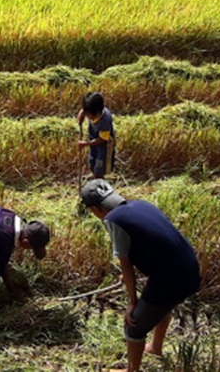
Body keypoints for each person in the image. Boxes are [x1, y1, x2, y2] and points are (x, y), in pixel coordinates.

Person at [80, 179, 200, 372]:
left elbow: (126, 265)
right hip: (191, 268)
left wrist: (132, 303)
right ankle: (155, 348)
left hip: (171, 278)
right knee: (162, 306)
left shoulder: (113, 220)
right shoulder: (141, 204)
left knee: (134, 324)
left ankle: (132, 370)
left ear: (95, 209)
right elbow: (152, 243)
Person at [77, 91, 116, 178]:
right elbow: (85, 109)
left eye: (88, 115)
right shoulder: (92, 110)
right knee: (92, 160)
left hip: (104, 145)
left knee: (100, 165)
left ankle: (99, 179)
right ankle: (94, 173)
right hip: (94, 140)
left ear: (97, 113)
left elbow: (102, 140)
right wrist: (82, 114)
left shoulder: (104, 121)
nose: (87, 116)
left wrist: (86, 144)